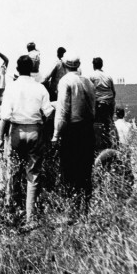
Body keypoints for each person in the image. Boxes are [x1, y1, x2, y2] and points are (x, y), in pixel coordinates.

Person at [0, 55, 54, 224]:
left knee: (14, 171)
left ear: (17, 69)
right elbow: (49, 112)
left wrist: (0, 138)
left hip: (16, 130)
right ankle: (30, 217)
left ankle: (13, 212)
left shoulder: (11, 87)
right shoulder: (40, 88)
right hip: (35, 130)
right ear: (32, 69)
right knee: (33, 174)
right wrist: (44, 131)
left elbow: (5, 116)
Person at [53, 54, 96, 218]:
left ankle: (72, 210)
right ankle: (85, 209)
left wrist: (56, 134)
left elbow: (62, 110)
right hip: (88, 128)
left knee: (70, 170)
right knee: (85, 170)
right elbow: (93, 108)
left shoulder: (65, 81)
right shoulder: (88, 82)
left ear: (64, 65)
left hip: (73, 129)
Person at [89, 57, 118, 150]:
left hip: (98, 103)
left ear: (93, 65)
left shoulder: (92, 76)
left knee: (96, 125)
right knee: (108, 124)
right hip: (109, 103)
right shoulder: (108, 76)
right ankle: (110, 144)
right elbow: (113, 92)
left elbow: (89, 91)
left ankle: (98, 145)